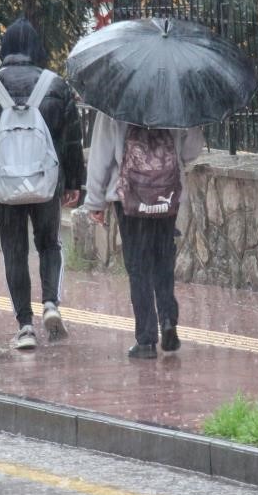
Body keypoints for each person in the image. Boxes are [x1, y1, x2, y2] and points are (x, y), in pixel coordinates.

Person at [0, 18, 85, 350]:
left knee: (14, 251)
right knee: (49, 244)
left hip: (4, 186)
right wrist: (74, 183)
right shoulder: (55, 85)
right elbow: (71, 141)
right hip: (46, 183)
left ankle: (24, 326)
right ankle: (50, 303)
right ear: (36, 48)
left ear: (5, 48)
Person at [83, 111, 204, 359]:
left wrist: (95, 200)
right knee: (163, 260)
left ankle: (146, 340)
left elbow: (101, 155)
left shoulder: (115, 101)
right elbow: (191, 152)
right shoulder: (177, 99)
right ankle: (168, 319)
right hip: (166, 193)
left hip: (129, 196)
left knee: (138, 266)